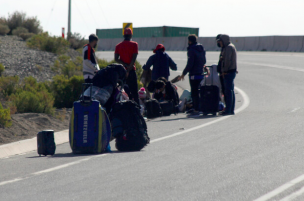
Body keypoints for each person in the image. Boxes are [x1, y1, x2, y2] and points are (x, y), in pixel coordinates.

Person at [179, 34, 206, 115]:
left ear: (189, 41)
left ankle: (196, 109)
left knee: (194, 92)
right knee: (200, 91)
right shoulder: (201, 49)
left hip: (194, 74)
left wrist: (183, 73)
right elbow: (204, 61)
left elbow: (190, 64)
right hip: (201, 73)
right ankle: (200, 108)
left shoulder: (191, 50)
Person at [115, 28, 139, 105]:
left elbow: (116, 59)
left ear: (124, 35)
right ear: (131, 35)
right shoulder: (134, 44)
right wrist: (129, 68)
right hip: (131, 71)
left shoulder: (118, 46)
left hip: (122, 73)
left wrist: (125, 65)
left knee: (123, 91)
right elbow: (134, 58)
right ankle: (137, 110)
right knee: (134, 92)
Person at [217, 34, 237, 115]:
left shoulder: (228, 47)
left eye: (220, 41)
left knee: (228, 91)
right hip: (229, 71)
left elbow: (228, 61)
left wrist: (224, 71)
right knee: (230, 91)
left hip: (228, 72)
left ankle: (229, 110)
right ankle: (230, 109)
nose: (219, 43)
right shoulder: (227, 47)